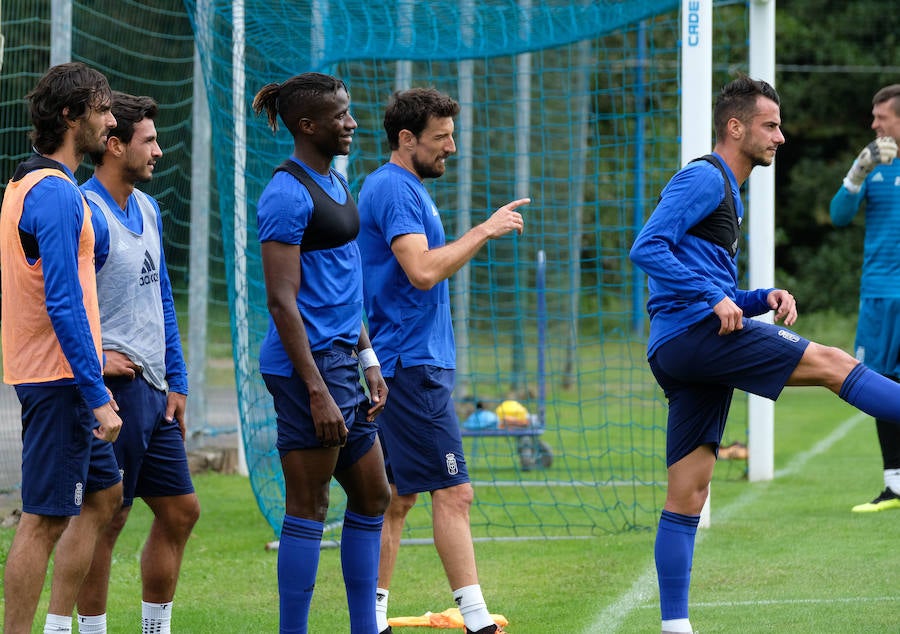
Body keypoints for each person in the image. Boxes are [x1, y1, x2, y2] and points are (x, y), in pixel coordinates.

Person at [629, 75, 900, 634]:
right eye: (770, 125)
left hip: (680, 345)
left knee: (689, 492)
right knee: (834, 363)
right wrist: (714, 298)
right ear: (736, 127)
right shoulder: (705, 177)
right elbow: (646, 245)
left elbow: (704, 277)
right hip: (695, 335)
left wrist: (760, 297)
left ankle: (674, 628)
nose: (781, 136)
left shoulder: (730, 190)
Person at [357, 87, 528, 634]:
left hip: (408, 363)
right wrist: (484, 229)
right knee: (455, 491)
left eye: (452, 135)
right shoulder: (394, 189)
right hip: (408, 365)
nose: (451, 147)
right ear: (406, 139)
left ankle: (372, 619)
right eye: (441, 137)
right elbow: (423, 271)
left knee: (397, 498)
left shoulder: (404, 187)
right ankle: (478, 622)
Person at [252, 72, 391, 634]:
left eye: (349, 112)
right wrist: (316, 390)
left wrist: (368, 359)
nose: (352, 122)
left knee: (374, 493)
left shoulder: (336, 182)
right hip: (305, 368)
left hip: (342, 362)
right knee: (308, 507)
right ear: (307, 126)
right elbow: (282, 302)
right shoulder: (286, 193)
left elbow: (343, 282)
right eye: (340, 115)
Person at [58, 91, 200, 634]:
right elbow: (60, 305)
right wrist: (95, 362)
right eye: (149, 141)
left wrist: (179, 381)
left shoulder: (148, 207)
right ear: (113, 146)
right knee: (107, 518)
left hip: (157, 390)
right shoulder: (85, 213)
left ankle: (153, 629)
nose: (159, 152)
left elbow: (161, 296)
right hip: (113, 394)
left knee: (181, 511)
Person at [0, 62, 123, 634]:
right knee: (43, 521)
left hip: (61, 375)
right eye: (102, 108)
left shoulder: (29, 182)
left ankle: (62, 626)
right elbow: (63, 303)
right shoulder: (53, 193)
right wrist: (96, 392)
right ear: (72, 116)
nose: (111, 119)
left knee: (105, 496)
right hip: (59, 382)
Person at [830, 84, 900, 513]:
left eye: (881, 118)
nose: (873, 126)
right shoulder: (872, 167)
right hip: (878, 295)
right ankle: (895, 484)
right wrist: (857, 172)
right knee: (880, 384)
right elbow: (838, 216)